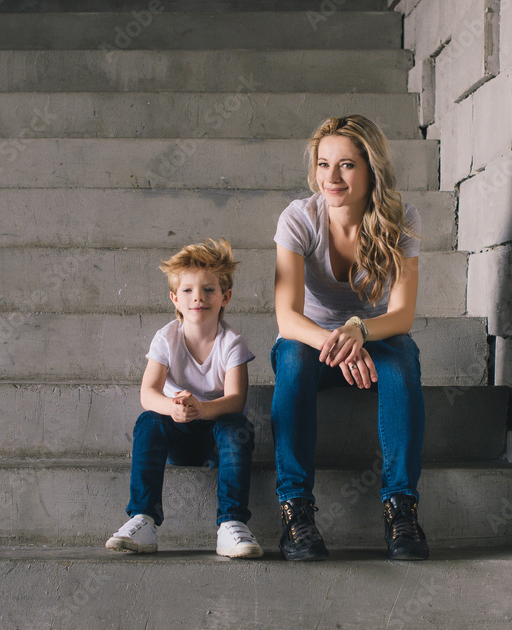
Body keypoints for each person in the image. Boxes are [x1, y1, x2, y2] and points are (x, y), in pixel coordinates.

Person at [271, 115, 429, 561]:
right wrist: (336, 344)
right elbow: (287, 318)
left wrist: (359, 330)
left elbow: (400, 315)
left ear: (371, 168)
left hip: (374, 339)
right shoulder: (300, 219)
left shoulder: (400, 218)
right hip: (311, 340)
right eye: (323, 164)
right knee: (292, 359)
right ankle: (295, 512)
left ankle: (401, 509)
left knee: (401, 361)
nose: (331, 178)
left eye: (346, 165)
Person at [106, 239, 262, 558]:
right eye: (188, 290)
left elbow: (235, 400)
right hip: (176, 432)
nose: (198, 298)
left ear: (225, 297)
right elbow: (148, 393)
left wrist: (201, 409)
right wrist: (175, 408)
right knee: (149, 421)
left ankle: (231, 524)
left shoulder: (232, 343)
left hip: (215, 437)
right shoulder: (167, 337)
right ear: (175, 298)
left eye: (209, 290)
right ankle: (143, 519)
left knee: (237, 426)